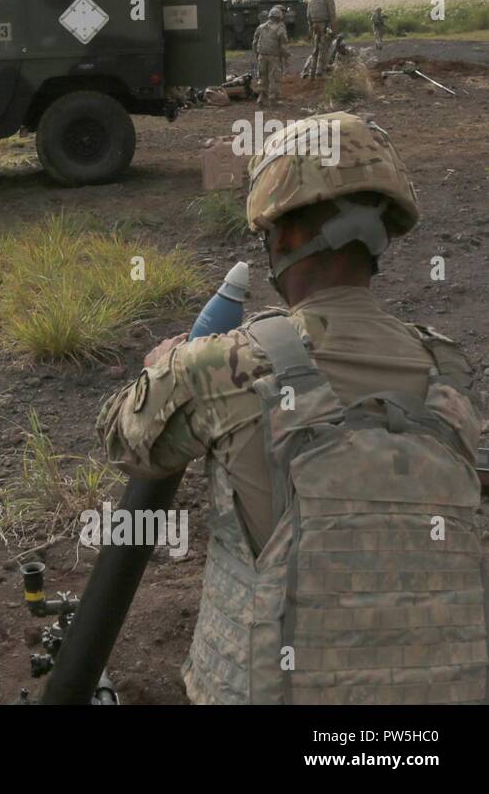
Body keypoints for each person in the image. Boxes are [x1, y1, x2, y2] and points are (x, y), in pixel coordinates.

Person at [96, 112, 486, 704]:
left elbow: (125, 443)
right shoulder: (449, 371)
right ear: (381, 240)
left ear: (280, 237)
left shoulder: (220, 367)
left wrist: (162, 366)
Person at [251, 6, 290, 106]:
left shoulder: (260, 27)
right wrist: (286, 57)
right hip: (274, 57)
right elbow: (283, 45)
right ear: (279, 17)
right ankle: (273, 99)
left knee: (262, 76)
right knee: (274, 78)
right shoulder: (280, 29)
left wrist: (257, 54)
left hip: (261, 56)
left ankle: (261, 98)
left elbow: (254, 42)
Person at [305, 0, 338, 78]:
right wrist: (334, 30)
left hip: (315, 28)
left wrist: (311, 28)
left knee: (315, 50)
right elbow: (332, 16)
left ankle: (312, 72)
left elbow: (308, 16)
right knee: (324, 50)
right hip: (324, 27)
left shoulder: (313, 0)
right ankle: (320, 73)